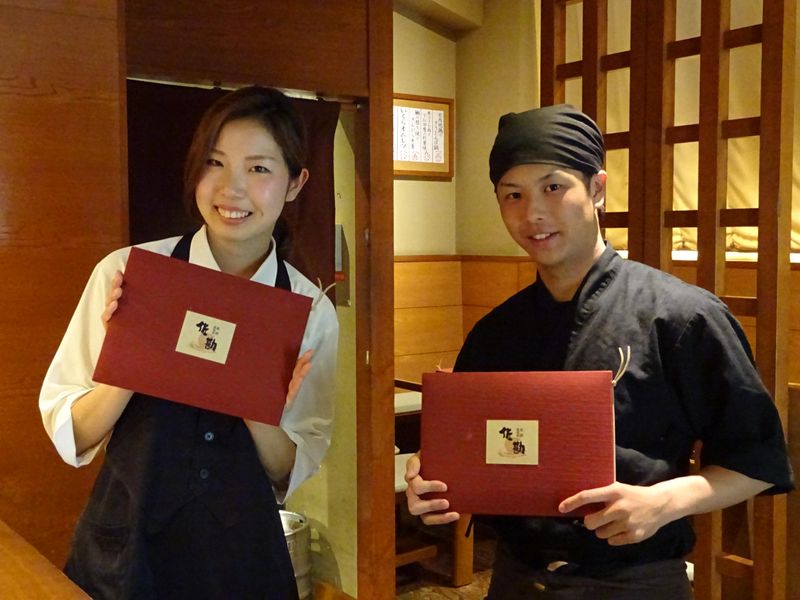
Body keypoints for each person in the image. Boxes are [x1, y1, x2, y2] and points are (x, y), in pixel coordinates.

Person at [405, 104, 794, 599]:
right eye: (513, 195)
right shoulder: (496, 333)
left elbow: (757, 462)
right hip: (517, 579)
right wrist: (432, 480)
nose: (533, 213)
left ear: (597, 189)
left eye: (553, 187)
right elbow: (472, 448)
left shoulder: (680, 317)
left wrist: (663, 502)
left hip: (635, 581)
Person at [39, 86, 338, 600]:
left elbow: (287, 468)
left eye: (259, 168)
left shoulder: (308, 310)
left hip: (240, 561)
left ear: (295, 183)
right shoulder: (128, 274)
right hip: (125, 554)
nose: (231, 188)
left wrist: (255, 398)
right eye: (214, 162)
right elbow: (73, 435)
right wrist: (134, 352)